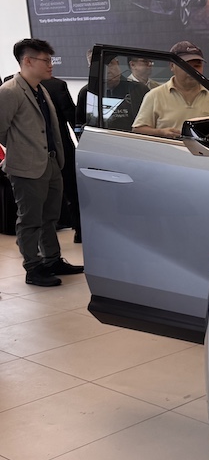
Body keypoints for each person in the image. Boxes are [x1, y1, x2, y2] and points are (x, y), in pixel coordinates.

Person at [0, 39, 84, 286]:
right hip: (26, 167)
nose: (50, 65)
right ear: (27, 61)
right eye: (46, 60)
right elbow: (1, 130)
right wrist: (22, 149)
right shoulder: (10, 91)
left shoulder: (41, 89)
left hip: (51, 163)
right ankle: (33, 267)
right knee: (30, 219)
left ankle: (52, 259)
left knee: (50, 217)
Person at [132, 41, 209, 138]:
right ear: (172, 66)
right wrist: (161, 133)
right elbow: (137, 130)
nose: (192, 70)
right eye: (186, 65)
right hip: (168, 148)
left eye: (197, 66)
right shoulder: (154, 96)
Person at [40, 74, 80, 242]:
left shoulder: (57, 85)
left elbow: (72, 117)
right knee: (71, 189)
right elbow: (73, 118)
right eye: (46, 61)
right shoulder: (56, 86)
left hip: (56, 148)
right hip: (57, 148)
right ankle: (78, 229)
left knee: (69, 188)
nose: (50, 65)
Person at [76, 50, 148, 132]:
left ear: (117, 63)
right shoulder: (86, 93)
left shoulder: (138, 89)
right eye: (98, 66)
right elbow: (79, 127)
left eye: (110, 64)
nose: (106, 70)